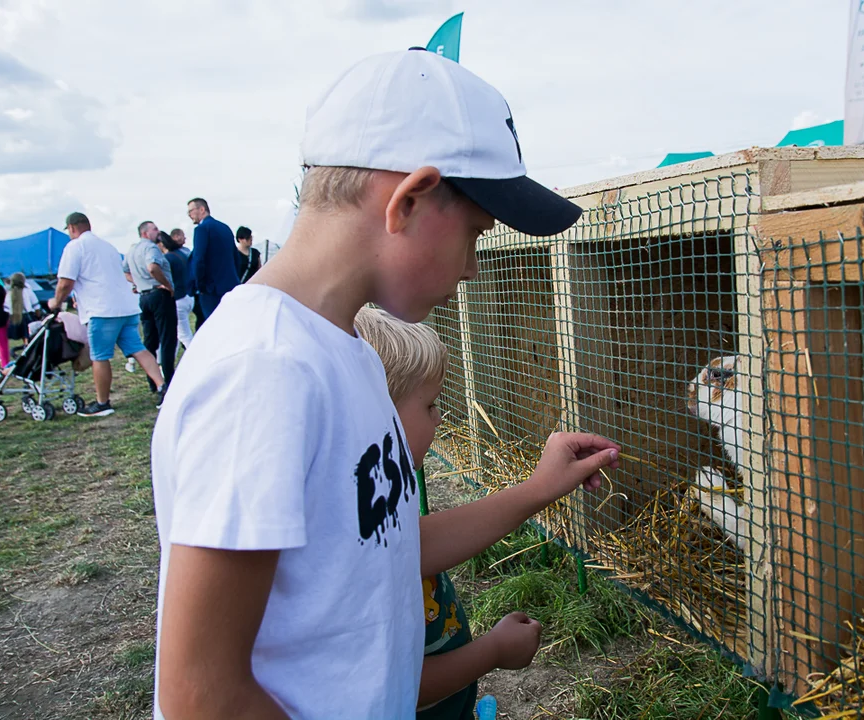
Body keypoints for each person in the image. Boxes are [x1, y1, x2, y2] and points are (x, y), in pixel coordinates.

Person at [150, 49, 608, 720]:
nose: (474, 269)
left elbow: (383, 550)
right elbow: (202, 697)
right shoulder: (263, 373)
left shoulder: (347, 350)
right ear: (410, 200)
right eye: (476, 234)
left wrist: (538, 490)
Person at [354, 306, 552, 720]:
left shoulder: (379, 493)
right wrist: (492, 651)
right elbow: (402, 685)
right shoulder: (354, 533)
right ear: (378, 417)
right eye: (429, 406)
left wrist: (540, 489)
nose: (440, 417)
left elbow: (417, 543)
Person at [48, 212, 166, 417]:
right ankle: (162, 386)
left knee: (100, 356)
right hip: (126, 307)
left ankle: (102, 402)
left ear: (72, 228)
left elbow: (65, 282)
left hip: (101, 310)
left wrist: (56, 303)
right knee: (137, 348)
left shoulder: (75, 247)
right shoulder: (108, 246)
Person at [123, 221, 178, 392]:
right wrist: (166, 284)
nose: (158, 231)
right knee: (167, 339)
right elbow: (153, 267)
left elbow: (125, 271)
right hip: (159, 295)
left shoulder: (132, 250)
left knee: (150, 340)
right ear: (145, 233)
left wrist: (139, 283)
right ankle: (168, 379)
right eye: (154, 229)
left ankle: (153, 381)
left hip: (144, 297)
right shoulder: (151, 248)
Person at [186, 197, 239, 324]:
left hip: (211, 289)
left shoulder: (202, 229)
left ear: (202, 209)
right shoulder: (225, 228)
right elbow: (236, 257)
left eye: (191, 211)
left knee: (213, 325)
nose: (189, 215)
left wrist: (200, 285)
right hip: (230, 285)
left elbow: (198, 259)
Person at [156, 231, 195, 351]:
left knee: (184, 335)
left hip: (178, 299)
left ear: (161, 244)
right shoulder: (181, 254)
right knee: (177, 335)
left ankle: (196, 357)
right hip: (188, 296)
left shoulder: (167, 258)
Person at [4, 272, 41, 345]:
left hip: (14, 318)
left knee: (22, 334)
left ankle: (25, 345)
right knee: (28, 335)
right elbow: (36, 306)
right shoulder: (28, 291)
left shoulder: (9, 294)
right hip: (28, 317)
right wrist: (38, 316)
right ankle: (27, 346)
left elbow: (6, 309)